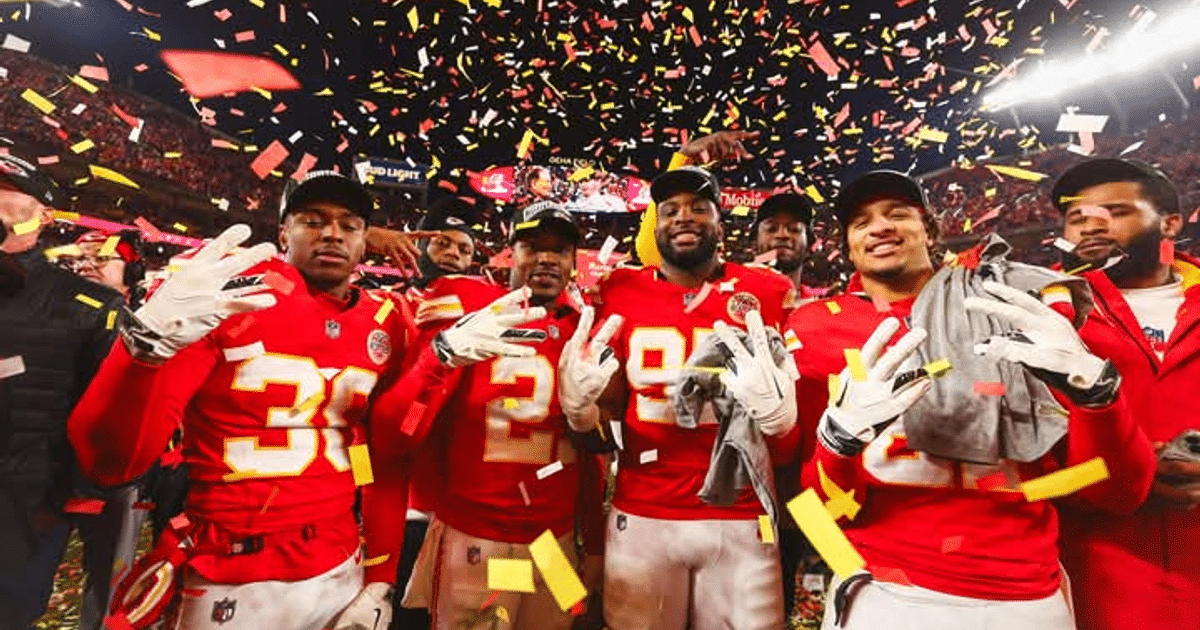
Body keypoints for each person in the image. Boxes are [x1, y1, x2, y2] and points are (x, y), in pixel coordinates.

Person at [68, 171, 520, 630]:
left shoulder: (385, 320)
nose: (332, 234)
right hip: (230, 569)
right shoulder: (233, 298)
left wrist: (379, 579)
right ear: (283, 231)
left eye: (348, 224)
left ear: (366, 241)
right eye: (312, 220)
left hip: (339, 564)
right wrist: (142, 352)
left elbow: (385, 454)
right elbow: (110, 464)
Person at [787, 170, 1156, 630]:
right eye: (861, 222)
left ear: (931, 229)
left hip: (1026, 594)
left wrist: (1097, 397)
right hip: (888, 588)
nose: (879, 227)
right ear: (848, 246)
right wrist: (838, 443)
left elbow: (1118, 493)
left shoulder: (1016, 304)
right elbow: (812, 504)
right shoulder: (814, 326)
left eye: (898, 214)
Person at [371, 200, 613, 630]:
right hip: (475, 537)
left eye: (558, 249)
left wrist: (593, 545)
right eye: (531, 245)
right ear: (509, 252)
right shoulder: (468, 305)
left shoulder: (585, 328)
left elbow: (591, 460)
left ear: (573, 260)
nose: (545, 258)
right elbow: (401, 430)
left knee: (561, 624)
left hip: (553, 542)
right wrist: (440, 356)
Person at [587, 162, 799, 630]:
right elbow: (607, 408)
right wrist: (585, 411)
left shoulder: (767, 291)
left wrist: (781, 421)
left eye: (699, 208)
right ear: (655, 225)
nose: (684, 217)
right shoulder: (619, 288)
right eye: (671, 210)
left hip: (740, 512)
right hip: (643, 510)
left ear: (720, 224)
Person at [1050, 158, 1200, 629]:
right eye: (1077, 218)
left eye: (1114, 211)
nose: (1091, 226)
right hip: (1098, 571)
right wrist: (1121, 473)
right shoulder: (1040, 311)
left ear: (1170, 223)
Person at [0, 153, 124, 630]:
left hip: (23, 504)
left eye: (7, 188)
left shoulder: (91, 306)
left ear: (43, 214)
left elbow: (103, 418)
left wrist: (69, 502)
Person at [58, 229, 156, 630]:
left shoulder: (144, 320)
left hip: (112, 474)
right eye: (82, 257)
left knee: (108, 580)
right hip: (46, 464)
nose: (88, 265)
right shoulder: (50, 307)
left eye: (102, 258)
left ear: (132, 272)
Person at [751, 193, 815, 294]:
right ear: (754, 243)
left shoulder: (819, 307)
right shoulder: (728, 303)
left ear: (809, 245)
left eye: (794, 229)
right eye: (771, 229)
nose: (782, 235)